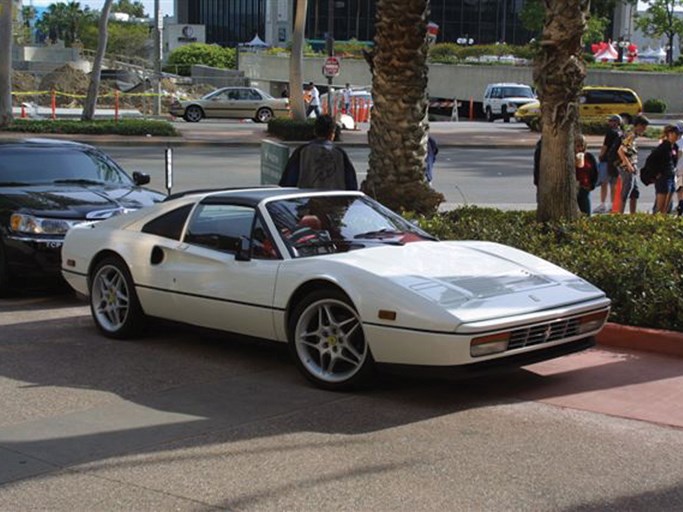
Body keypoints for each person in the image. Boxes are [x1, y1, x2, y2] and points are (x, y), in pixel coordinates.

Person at [279, 114, 358, 190]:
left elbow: (288, 183)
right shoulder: (340, 154)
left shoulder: (302, 152)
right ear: (332, 134)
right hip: (336, 202)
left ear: (315, 131)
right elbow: (351, 185)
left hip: (306, 200)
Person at [615, 115, 650, 214]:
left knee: (635, 192)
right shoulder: (630, 135)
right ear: (638, 125)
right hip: (626, 168)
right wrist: (629, 165)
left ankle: (632, 215)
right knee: (626, 191)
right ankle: (620, 215)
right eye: (643, 127)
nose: (644, 130)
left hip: (632, 167)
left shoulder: (633, 135)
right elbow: (620, 151)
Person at [649, 123, 681, 214]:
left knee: (666, 207)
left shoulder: (675, 147)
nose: (677, 136)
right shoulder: (662, 147)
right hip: (663, 178)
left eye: (678, 134)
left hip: (671, 176)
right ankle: (656, 224)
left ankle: (664, 222)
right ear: (669, 134)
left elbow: (674, 160)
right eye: (676, 134)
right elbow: (651, 161)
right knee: (660, 206)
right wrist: (656, 174)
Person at [594, 114, 623, 213]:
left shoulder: (610, 133)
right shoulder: (620, 133)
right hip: (616, 162)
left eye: (611, 121)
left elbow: (605, 146)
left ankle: (603, 204)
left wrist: (601, 156)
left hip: (607, 160)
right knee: (613, 184)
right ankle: (612, 205)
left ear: (616, 122)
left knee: (604, 183)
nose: (609, 122)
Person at [574, 134, 598, 215]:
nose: (580, 148)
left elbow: (595, 172)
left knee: (586, 213)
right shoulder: (570, 157)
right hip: (573, 189)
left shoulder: (589, 157)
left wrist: (591, 185)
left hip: (585, 188)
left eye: (582, 146)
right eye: (578, 146)